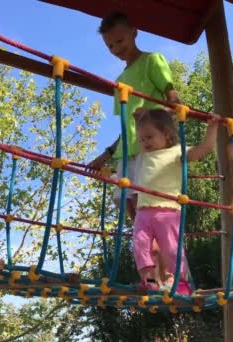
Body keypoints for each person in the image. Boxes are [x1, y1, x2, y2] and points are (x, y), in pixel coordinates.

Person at [87, 11, 180, 286]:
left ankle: (167, 278)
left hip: (148, 151)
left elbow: (172, 100)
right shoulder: (120, 82)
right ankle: (150, 279)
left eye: (120, 41)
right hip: (125, 153)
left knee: (152, 212)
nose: (116, 49)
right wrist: (107, 153)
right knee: (137, 218)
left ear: (134, 33)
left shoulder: (152, 60)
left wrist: (159, 122)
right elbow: (126, 127)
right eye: (111, 46)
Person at [132, 108, 219, 294]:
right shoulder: (142, 158)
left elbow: (202, 151)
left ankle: (180, 283)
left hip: (168, 211)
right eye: (142, 139)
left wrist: (212, 129)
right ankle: (150, 282)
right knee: (141, 248)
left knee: (172, 250)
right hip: (143, 212)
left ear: (166, 135)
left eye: (149, 137)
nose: (145, 142)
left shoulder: (176, 152)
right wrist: (138, 119)